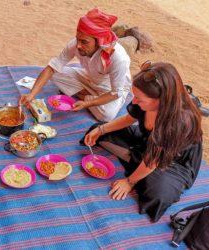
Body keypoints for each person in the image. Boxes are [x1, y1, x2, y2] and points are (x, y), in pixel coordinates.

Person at [82, 61, 202, 222]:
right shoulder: (144, 102)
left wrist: (129, 181)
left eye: (140, 99)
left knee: (157, 193)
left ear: (161, 100)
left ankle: (138, 167)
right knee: (98, 131)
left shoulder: (179, 121)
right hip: (147, 142)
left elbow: (154, 160)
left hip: (174, 160)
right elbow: (128, 119)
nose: (134, 102)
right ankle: (138, 162)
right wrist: (101, 130)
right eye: (134, 96)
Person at [19, 8, 131, 122]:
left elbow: (115, 93)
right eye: (78, 39)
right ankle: (88, 95)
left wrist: (87, 103)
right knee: (53, 73)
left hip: (109, 88)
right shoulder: (76, 44)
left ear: (99, 41)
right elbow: (52, 68)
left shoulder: (118, 58)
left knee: (107, 115)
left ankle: (84, 95)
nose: (78, 45)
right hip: (89, 78)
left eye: (84, 42)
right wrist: (31, 95)